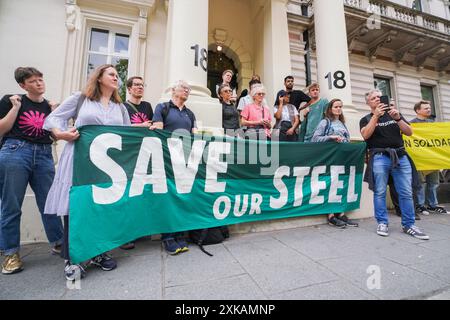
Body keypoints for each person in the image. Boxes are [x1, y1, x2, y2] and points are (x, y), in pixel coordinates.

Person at [43, 64, 132, 281]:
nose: (116, 77)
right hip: (79, 161)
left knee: (102, 206)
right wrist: (61, 134)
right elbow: (53, 119)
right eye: (111, 73)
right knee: (76, 206)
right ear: (99, 77)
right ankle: (73, 258)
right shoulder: (81, 99)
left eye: (117, 75)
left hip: (106, 167)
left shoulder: (119, 108)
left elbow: (127, 133)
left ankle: (99, 252)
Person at [0, 67, 64, 275]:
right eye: (34, 81)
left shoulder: (49, 105)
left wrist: (55, 113)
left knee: (50, 202)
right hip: (16, 151)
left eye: (40, 79)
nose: (39, 83)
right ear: (23, 84)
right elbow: (2, 129)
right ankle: (11, 253)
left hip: (44, 154)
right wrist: (15, 108)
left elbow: (56, 135)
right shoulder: (12, 100)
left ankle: (58, 242)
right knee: (11, 205)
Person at [360, 89, 429, 240]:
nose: (378, 99)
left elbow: (409, 132)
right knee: (379, 192)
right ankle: (382, 222)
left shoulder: (394, 113)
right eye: (374, 98)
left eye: (379, 96)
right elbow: (365, 135)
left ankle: (409, 225)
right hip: (379, 157)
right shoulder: (365, 119)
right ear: (368, 103)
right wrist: (375, 117)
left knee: (405, 192)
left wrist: (398, 119)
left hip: (400, 156)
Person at [150, 80, 197, 255]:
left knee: (181, 197)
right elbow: (158, 129)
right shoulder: (162, 107)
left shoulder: (190, 113)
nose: (187, 90)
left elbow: (194, 135)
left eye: (189, 89)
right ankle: (168, 237)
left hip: (184, 162)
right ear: (173, 90)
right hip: (166, 161)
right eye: (183, 87)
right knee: (168, 198)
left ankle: (179, 234)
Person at [311, 98, 359, 228]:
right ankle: (331, 215)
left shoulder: (342, 123)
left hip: (342, 158)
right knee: (331, 185)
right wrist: (330, 137)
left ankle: (341, 213)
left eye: (340, 106)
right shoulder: (324, 122)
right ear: (330, 109)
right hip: (330, 159)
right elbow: (315, 139)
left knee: (341, 184)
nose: (339, 109)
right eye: (336, 107)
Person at [120, 76, 155, 250]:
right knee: (127, 192)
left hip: (145, 152)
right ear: (129, 88)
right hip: (128, 153)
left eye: (142, 85)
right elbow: (120, 127)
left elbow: (152, 125)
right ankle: (125, 234)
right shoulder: (123, 106)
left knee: (142, 190)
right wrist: (141, 126)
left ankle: (139, 229)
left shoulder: (148, 106)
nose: (140, 88)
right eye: (136, 85)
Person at [410, 100, 449, 215]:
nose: (429, 109)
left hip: (432, 159)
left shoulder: (433, 123)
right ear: (418, 110)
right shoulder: (411, 124)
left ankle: (433, 205)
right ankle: (420, 205)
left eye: (429, 108)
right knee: (420, 183)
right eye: (426, 108)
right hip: (419, 159)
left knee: (433, 183)